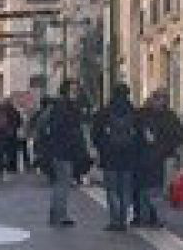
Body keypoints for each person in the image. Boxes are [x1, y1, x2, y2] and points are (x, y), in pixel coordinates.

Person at [91, 84, 142, 232]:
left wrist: (102, 148)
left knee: (112, 189)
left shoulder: (105, 112)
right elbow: (139, 136)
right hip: (128, 157)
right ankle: (123, 219)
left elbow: (95, 134)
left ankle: (115, 220)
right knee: (125, 189)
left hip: (109, 157)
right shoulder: (134, 112)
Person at [134, 89, 183, 228]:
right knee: (146, 188)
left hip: (159, 157)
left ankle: (153, 217)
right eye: (157, 99)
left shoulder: (168, 116)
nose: (158, 102)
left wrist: (163, 148)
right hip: (146, 157)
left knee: (154, 189)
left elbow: (177, 136)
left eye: (161, 99)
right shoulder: (143, 115)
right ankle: (145, 216)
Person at [44, 81, 88, 227]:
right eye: (73, 90)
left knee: (61, 183)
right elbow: (67, 130)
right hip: (64, 151)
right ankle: (60, 215)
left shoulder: (60, 106)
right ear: (66, 91)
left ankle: (57, 213)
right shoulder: (65, 108)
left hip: (60, 150)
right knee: (63, 183)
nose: (76, 93)